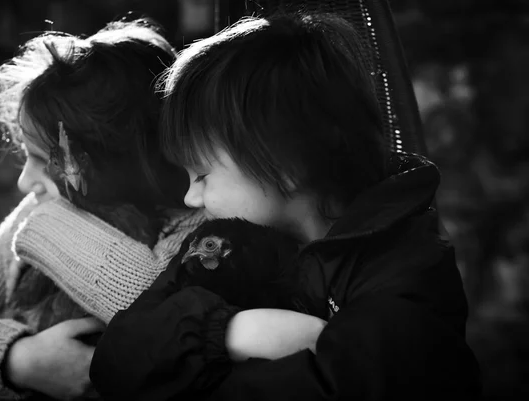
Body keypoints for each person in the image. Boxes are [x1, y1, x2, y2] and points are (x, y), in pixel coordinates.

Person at [88, 12, 483, 400]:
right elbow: (116, 359)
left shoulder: (404, 267)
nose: (190, 198)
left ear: (286, 164)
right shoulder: (224, 243)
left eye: (203, 175)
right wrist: (230, 332)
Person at [0, 17, 206, 400]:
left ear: (109, 162)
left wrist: (44, 223)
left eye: (43, 159)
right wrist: (19, 360)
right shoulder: (42, 208)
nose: (25, 183)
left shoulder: (198, 227)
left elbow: (157, 304)